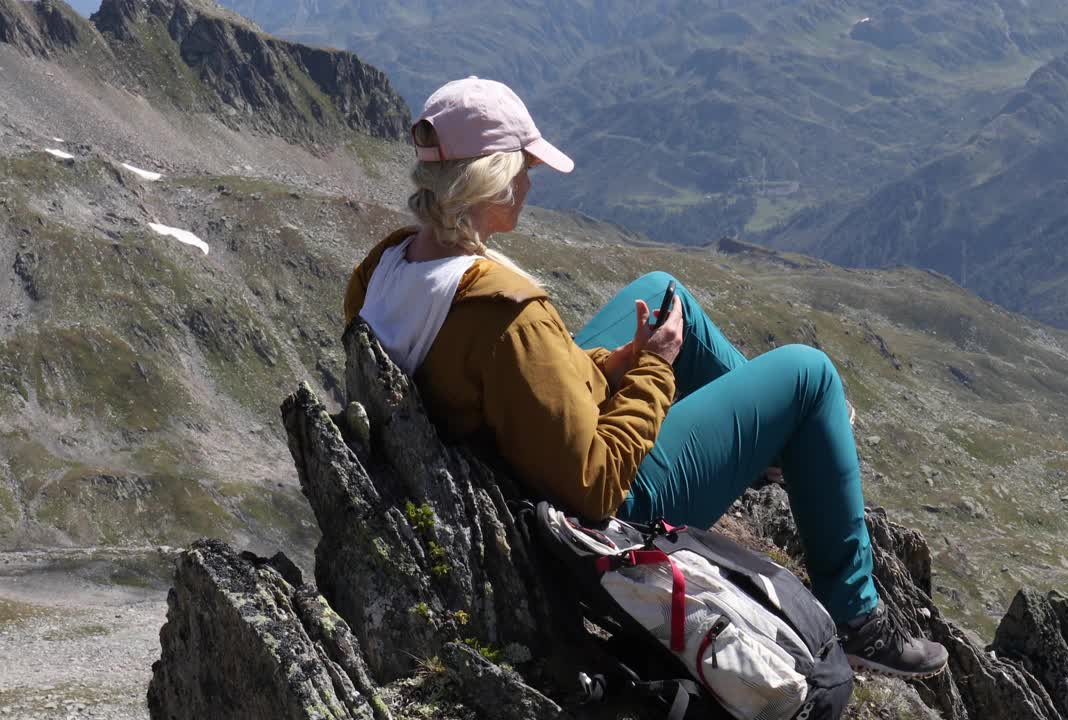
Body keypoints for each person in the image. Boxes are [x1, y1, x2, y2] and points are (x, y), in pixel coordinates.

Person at [342, 77, 948, 679]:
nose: (529, 183)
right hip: (603, 520)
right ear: (488, 178)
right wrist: (654, 368)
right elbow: (596, 486)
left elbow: (519, 382)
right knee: (811, 375)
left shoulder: (386, 267)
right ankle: (857, 617)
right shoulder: (506, 315)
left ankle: (780, 445)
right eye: (522, 169)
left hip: (524, 447)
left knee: (663, 292)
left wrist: (619, 359)